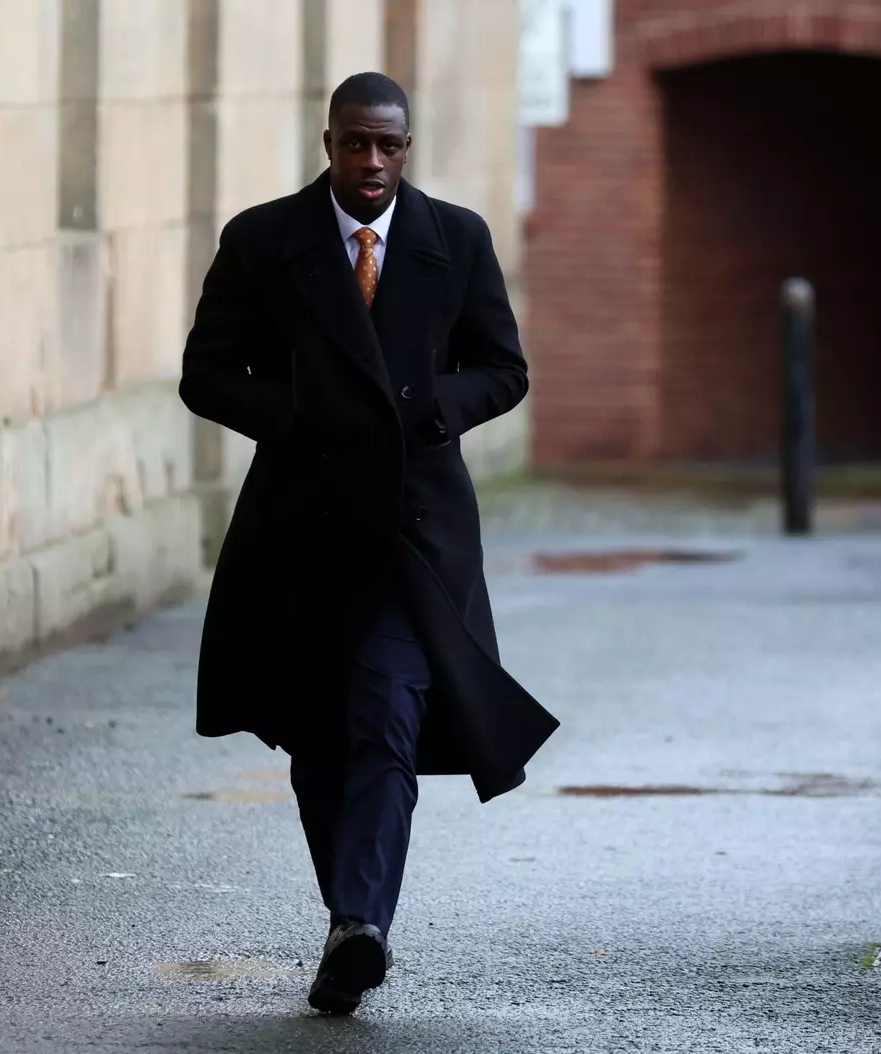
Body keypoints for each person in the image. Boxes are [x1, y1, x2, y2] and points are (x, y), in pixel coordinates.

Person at [179, 71, 559, 1015]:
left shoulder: (455, 240)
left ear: (407, 148)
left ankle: (359, 923)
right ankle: (351, 924)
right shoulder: (266, 240)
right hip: (301, 534)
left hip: (415, 533)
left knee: (386, 713)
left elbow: (503, 369)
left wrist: (431, 408)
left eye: (389, 145)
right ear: (329, 144)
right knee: (318, 736)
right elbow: (206, 374)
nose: (373, 161)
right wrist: (300, 414)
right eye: (357, 144)